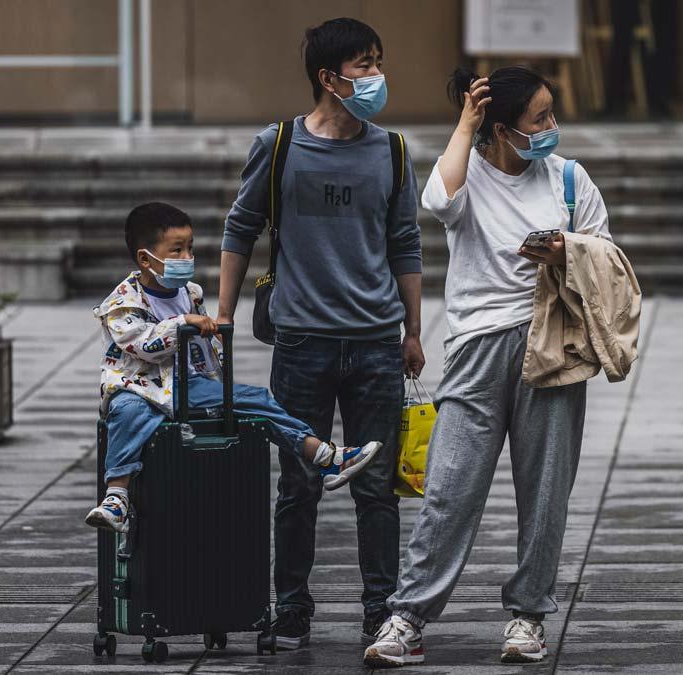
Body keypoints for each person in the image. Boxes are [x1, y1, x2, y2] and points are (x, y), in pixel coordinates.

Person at [363, 65, 611, 667]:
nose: (552, 127)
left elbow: (607, 260)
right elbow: (437, 202)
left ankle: (528, 616)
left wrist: (566, 252)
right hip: (475, 349)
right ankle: (409, 617)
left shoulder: (571, 181)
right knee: (448, 489)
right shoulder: (466, 170)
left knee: (546, 491)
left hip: (550, 345)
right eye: (540, 119)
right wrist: (465, 124)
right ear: (502, 128)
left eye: (552, 114)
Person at [214, 18, 424, 650]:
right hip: (301, 342)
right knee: (297, 484)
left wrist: (413, 331)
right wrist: (221, 318)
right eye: (363, 65)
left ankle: (380, 607)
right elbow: (239, 229)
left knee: (377, 486)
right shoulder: (279, 146)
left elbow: (406, 243)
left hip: (375, 342)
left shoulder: (391, 150)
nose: (375, 76)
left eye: (377, 62)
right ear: (328, 78)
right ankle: (292, 605)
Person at [85, 202, 383, 534]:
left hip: (186, 386)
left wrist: (213, 364)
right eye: (177, 250)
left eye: (190, 248)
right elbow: (142, 344)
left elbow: (203, 350)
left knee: (255, 400)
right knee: (125, 412)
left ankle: (325, 456)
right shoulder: (123, 302)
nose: (187, 258)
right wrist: (183, 323)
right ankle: (117, 497)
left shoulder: (189, 293)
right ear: (145, 259)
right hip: (137, 385)